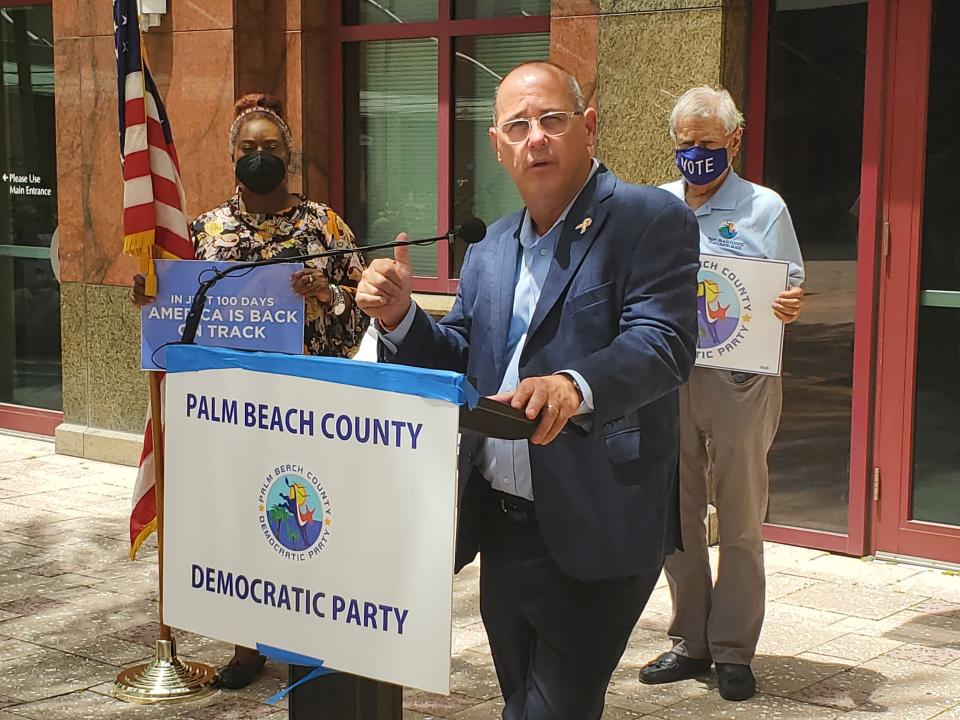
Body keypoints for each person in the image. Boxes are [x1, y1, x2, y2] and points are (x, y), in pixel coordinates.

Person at [357, 61, 700, 720]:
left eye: (551, 120)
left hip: (600, 522)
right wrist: (402, 317)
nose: (535, 138)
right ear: (497, 146)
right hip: (504, 527)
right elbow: (465, 361)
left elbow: (663, 342)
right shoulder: (488, 250)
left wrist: (577, 385)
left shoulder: (646, 219)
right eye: (517, 126)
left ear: (588, 127)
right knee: (525, 697)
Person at [132, 93, 369, 688]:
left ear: (290, 156)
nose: (260, 156)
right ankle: (248, 644)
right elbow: (179, 310)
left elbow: (365, 311)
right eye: (249, 148)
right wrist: (152, 300)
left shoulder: (323, 225)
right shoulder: (203, 232)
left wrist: (327, 294)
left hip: (309, 407)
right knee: (241, 528)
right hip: (231, 414)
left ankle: (310, 638)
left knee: (304, 523)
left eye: (271, 148)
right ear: (231, 154)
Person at [638, 86, 805, 702]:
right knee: (675, 514)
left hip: (741, 382)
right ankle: (689, 640)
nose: (697, 156)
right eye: (686, 145)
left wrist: (790, 303)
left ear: (734, 141)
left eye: (709, 144)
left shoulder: (765, 208)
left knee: (738, 514)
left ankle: (734, 647)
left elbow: (790, 287)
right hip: (667, 378)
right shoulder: (653, 205)